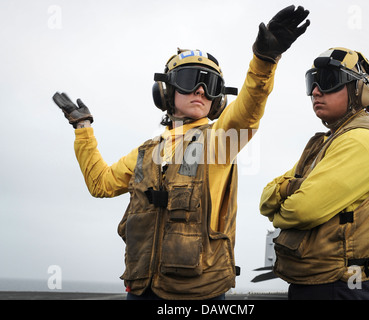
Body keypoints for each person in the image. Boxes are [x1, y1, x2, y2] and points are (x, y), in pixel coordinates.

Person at [52, 5, 310, 300]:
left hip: (197, 294)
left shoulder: (218, 142)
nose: (200, 90)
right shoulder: (146, 152)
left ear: (217, 98)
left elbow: (247, 112)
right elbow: (101, 184)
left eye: (209, 84)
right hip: (141, 290)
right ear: (166, 91)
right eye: (190, 81)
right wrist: (83, 128)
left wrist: (264, 61)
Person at [259, 47, 369, 300]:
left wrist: (281, 206)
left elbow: (301, 210)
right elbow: (265, 196)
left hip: (339, 285)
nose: (315, 91)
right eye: (312, 82)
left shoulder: (360, 140)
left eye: (328, 81)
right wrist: (288, 189)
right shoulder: (329, 141)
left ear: (361, 90)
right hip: (319, 281)